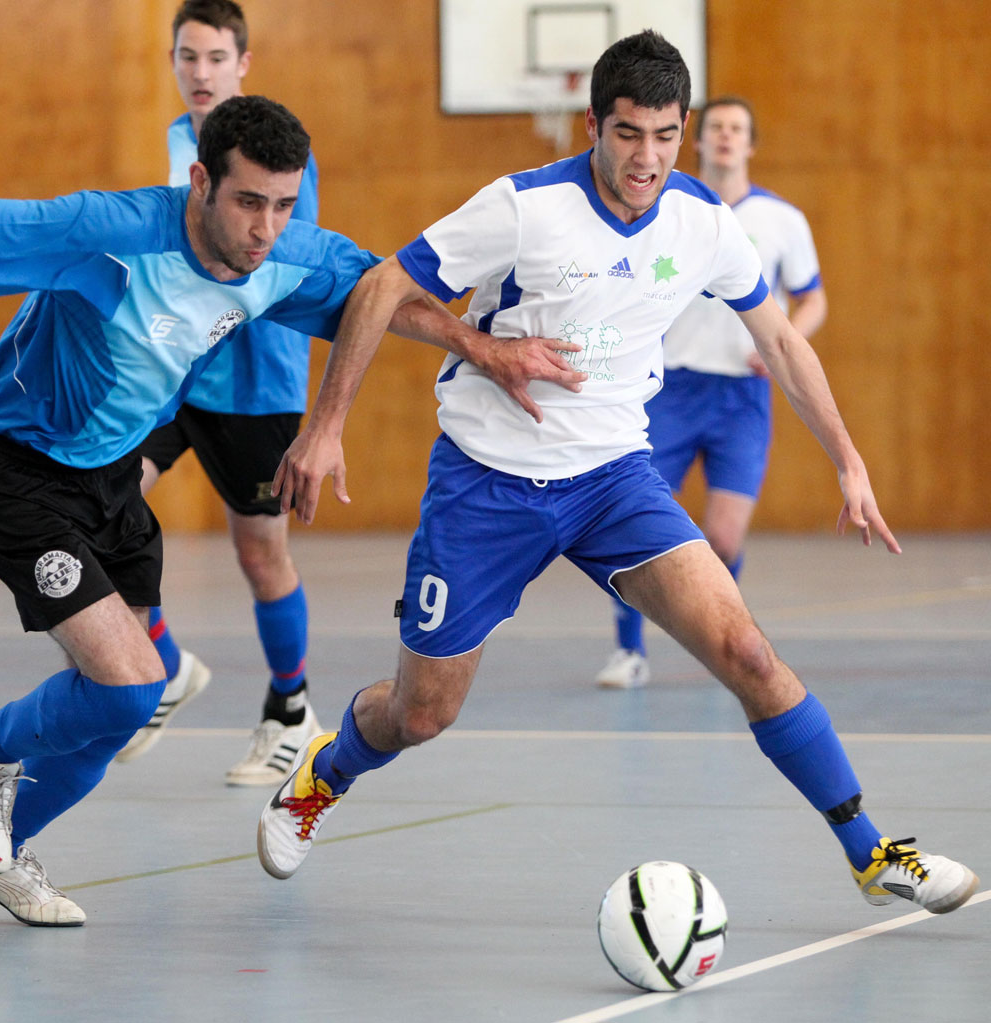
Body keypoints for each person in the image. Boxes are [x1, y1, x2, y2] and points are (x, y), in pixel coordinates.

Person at [0, 95, 580, 927]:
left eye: (283, 205)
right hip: (12, 470)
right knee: (132, 683)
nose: (265, 228)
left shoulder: (280, 255)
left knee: (129, 698)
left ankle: (1, 849)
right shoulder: (111, 232)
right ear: (201, 182)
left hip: (109, 484)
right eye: (249, 201)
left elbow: (379, 290)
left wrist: (483, 346)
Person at [255, 31, 978, 917]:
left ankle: (871, 853)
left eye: (665, 135)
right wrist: (326, 426)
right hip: (489, 482)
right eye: (629, 133)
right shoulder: (522, 208)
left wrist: (851, 461)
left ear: (685, 131)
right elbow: (378, 287)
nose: (647, 158)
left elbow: (782, 339)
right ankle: (323, 774)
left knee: (748, 650)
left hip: (614, 481)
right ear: (593, 123)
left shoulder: (705, 222)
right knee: (421, 713)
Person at [115, 0, 326, 787]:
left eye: (214, 57)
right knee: (101, 496)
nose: (199, 72)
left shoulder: (276, 153)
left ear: (243, 64)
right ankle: (165, 662)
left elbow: (279, 267)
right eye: (187, 56)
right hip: (175, 371)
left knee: (259, 550)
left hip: (254, 381)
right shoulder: (181, 142)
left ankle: (292, 709)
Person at [596, 94, 828, 689]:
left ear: (751, 144)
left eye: (738, 130)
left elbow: (813, 297)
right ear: (697, 139)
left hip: (741, 399)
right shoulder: (666, 208)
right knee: (636, 528)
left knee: (722, 539)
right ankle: (629, 650)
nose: (726, 137)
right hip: (669, 391)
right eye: (717, 127)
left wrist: (783, 344)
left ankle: (721, 636)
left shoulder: (783, 220)